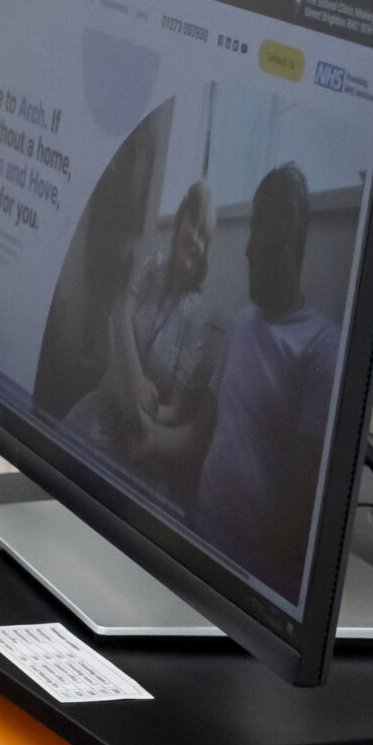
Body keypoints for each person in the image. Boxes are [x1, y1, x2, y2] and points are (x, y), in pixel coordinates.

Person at [191, 163, 342, 599]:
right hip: (195, 537)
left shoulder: (321, 349)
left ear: (290, 228)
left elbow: (297, 519)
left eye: (260, 226)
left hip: (240, 574)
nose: (248, 248)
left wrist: (232, 585)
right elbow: (196, 436)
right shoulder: (240, 324)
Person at [64, 177, 222, 507]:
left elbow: (178, 409)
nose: (194, 238)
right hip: (106, 398)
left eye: (204, 236)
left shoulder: (199, 316)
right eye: (192, 224)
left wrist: (143, 416)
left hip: (144, 430)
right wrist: (135, 379)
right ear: (180, 221)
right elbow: (119, 316)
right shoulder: (152, 268)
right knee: (59, 462)